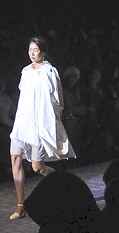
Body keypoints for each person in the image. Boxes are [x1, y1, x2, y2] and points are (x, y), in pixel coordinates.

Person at [8, 36, 76, 220]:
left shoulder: (50, 71)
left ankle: (64, 187)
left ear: (43, 52)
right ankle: (21, 204)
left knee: (37, 167)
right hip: (23, 122)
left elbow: (57, 99)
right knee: (15, 159)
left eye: (36, 50)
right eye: (30, 49)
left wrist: (52, 120)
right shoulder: (25, 71)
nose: (32, 53)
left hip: (39, 124)